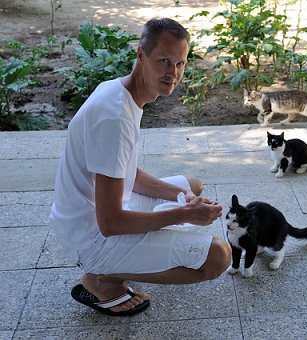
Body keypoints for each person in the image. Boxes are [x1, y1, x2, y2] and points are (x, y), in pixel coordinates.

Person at [49, 18, 232, 317]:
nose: (173, 73)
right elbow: (111, 223)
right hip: (92, 237)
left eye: (180, 64)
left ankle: (121, 263)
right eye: (164, 61)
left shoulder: (120, 92)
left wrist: (184, 199)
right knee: (218, 257)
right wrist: (185, 214)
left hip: (89, 216)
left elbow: (127, 175)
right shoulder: (115, 118)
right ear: (141, 55)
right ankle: (102, 278)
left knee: (191, 186)